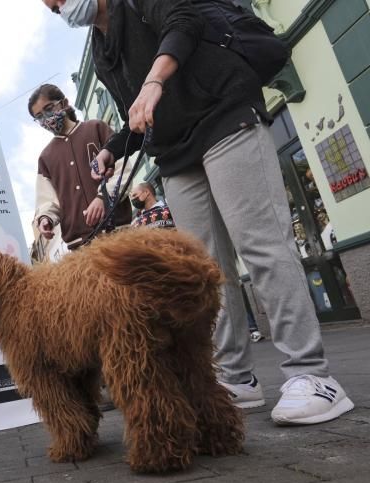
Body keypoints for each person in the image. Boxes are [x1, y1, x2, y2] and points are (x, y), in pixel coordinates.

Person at [45, 0, 354, 424]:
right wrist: (113, 152)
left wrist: (155, 79)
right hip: (174, 155)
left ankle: (311, 373)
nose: (59, 9)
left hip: (223, 118)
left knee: (261, 244)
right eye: (52, 8)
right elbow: (133, 113)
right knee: (201, 272)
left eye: (58, 0)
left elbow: (183, 19)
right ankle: (236, 379)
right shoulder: (100, 49)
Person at [30, 84, 131, 250]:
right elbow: (47, 200)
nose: (45, 119)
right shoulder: (45, 158)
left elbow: (122, 169)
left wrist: (102, 198)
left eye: (48, 109)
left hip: (118, 232)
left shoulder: (96, 128)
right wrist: (45, 218)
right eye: (39, 117)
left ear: (64, 103)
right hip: (80, 246)